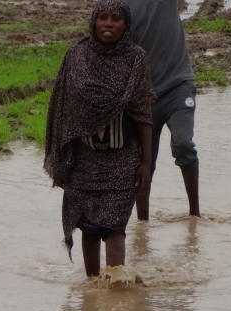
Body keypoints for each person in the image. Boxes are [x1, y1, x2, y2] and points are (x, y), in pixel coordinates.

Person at [44, 0, 153, 277]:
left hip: (123, 158)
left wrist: (145, 163)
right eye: (102, 18)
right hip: (84, 159)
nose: (108, 23)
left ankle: (115, 290)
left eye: (116, 19)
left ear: (126, 24)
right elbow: (63, 107)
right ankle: (92, 286)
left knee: (115, 227)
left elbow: (143, 114)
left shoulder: (136, 58)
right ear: (93, 22)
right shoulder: (76, 55)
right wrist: (65, 157)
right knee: (89, 227)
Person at [125, 0, 201, 219]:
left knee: (183, 143)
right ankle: (143, 223)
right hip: (142, 93)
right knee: (142, 161)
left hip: (178, 84)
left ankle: (195, 216)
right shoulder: (115, 5)